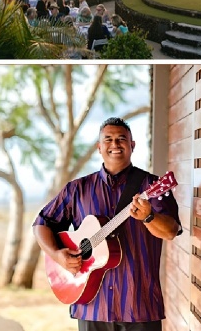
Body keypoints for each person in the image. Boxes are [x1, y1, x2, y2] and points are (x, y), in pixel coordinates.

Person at [32, 117, 182, 331]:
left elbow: (171, 231)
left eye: (122, 139)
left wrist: (149, 217)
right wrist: (57, 255)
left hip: (139, 304)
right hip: (92, 304)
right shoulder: (77, 189)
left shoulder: (152, 186)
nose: (115, 144)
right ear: (99, 147)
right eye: (108, 139)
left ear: (132, 145)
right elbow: (41, 224)